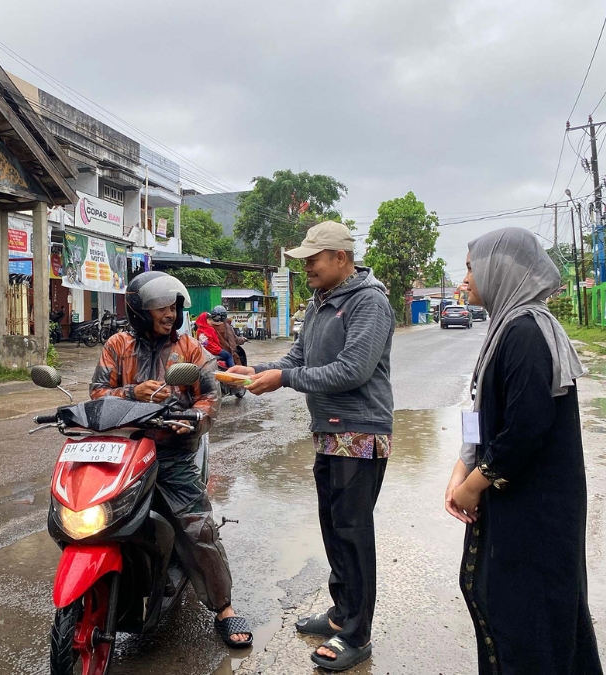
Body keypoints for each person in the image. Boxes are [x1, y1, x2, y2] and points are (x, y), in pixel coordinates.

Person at [228, 221, 394, 671]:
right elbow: (298, 359)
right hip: (329, 431)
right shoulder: (322, 303)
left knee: (353, 534)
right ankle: (342, 615)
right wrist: (258, 370)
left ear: (340, 257)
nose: (306, 269)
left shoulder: (369, 301)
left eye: (312, 260)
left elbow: (352, 370)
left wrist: (283, 378)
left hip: (360, 431)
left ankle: (357, 635)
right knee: (334, 528)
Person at [445, 228, 602, 675]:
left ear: (501, 269)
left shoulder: (526, 332)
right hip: (517, 504)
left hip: (537, 513)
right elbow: (484, 409)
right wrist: (461, 468)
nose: (466, 277)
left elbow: (525, 430)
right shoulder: (506, 328)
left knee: (530, 621)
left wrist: (474, 485)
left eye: (472, 266)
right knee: (525, 614)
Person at [90, 271, 253, 648]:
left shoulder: (190, 350)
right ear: (138, 311)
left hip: (172, 452)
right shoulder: (117, 345)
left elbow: (209, 395)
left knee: (196, 527)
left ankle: (224, 608)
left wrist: (193, 419)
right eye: (160, 307)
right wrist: (132, 392)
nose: (168, 313)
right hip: (124, 449)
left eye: (172, 306)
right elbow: (97, 392)